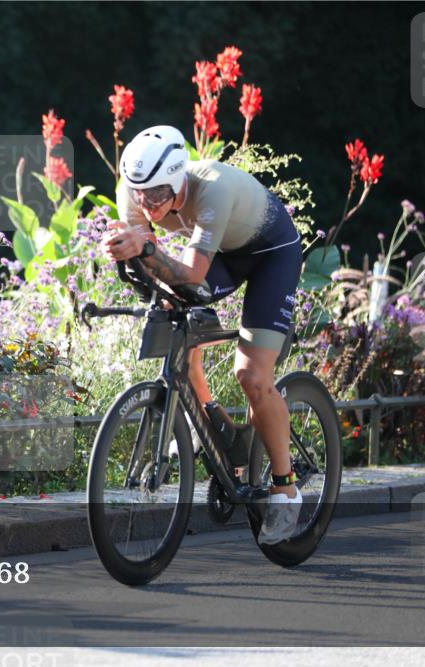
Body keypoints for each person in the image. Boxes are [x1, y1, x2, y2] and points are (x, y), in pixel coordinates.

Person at [99, 125, 303, 545]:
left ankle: (286, 490)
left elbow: (190, 273)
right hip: (223, 254)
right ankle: (209, 424)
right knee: (175, 323)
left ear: (178, 181)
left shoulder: (213, 189)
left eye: (157, 194)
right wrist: (127, 250)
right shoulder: (133, 191)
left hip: (270, 255)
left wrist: (146, 248)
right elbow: (152, 266)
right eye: (139, 194)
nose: (146, 204)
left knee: (252, 376)